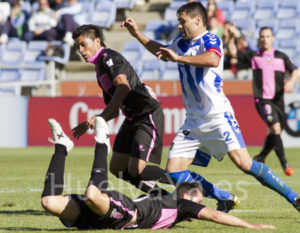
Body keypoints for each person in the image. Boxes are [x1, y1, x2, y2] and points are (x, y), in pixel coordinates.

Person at [121, 1, 300, 213]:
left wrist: (179, 58)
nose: (179, 26)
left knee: (244, 164)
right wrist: (138, 35)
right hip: (193, 120)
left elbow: (213, 59)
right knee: (174, 172)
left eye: (182, 21)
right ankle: (223, 197)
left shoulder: (210, 39)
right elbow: (161, 51)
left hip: (217, 116)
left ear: (197, 20)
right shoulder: (180, 42)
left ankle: (294, 197)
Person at [41, 117, 276, 230]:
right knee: (93, 194)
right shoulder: (180, 205)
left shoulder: (172, 205)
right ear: (186, 197)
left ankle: (62, 147)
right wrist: (252, 227)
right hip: (125, 212)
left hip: (103, 221)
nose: (200, 207)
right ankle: (102, 142)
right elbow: (215, 216)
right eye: (199, 200)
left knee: (48, 202)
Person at [71, 24, 168, 196]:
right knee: (117, 167)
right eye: (78, 46)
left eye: (83, 45)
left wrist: (100, 116)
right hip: (132, 118)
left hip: (147, 113)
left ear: (97, 41)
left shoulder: (109, 58)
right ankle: (167, 199)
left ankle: (187, 181)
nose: (81, 50)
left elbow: (124, 87)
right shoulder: (100, 69)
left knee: (136, 168)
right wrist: (95, 121)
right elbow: (115, 111)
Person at [227, 26, 299, 176]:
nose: (265, 39)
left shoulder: (281, 57)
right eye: (262, 37)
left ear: (273, 38)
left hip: (278, 101)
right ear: (259, 39)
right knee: (276, 129)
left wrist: (292, 82)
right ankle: (285, 164)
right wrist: (231, 36)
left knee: (275, 132)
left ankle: (261, 157)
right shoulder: (254, 56)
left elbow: (295, 71)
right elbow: (233, 52)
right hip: (263, 100)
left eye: (267, 36)